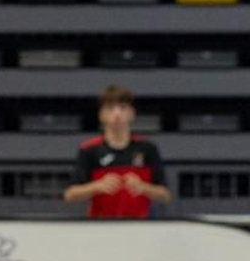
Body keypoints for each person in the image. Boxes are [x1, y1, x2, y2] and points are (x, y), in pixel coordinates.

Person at [63, 85, 172, 218]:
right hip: (101, 227)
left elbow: (165, 195)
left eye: (122, 108)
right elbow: (70, 195)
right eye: (110, 108)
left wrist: (143, 187)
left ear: (132, 113)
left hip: (141, 227)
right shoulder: (89, 149)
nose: (117, 114)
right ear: (101, 115)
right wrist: (97, 186)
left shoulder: (148, 148)